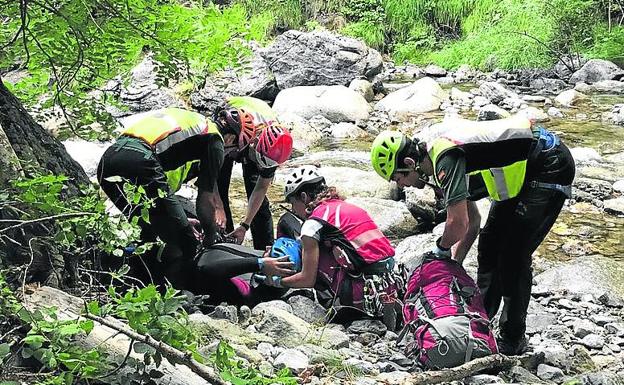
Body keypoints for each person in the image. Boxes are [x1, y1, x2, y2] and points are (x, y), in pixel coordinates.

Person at [370, 115, 575, 355]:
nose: (401, 186)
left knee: (513, 256)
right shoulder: (431, 165)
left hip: (549, 164)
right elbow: (473, 222)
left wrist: (440, 251)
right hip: (520, 172)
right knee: (489, 246)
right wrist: (452, 263)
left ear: (409, 161)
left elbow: (457, 222)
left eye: (398, 177)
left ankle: (512, 338)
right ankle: (480, 325)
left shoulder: (444, 158)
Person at [97, 106, 245, 288]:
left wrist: (172, 221)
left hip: (108, 160)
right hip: (140, 161)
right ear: (230, 138)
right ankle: (180, 293)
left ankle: (134, 286)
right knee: (187, 241)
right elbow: (205, 199)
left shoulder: (196, 121)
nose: (229, 154)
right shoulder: (215, 140)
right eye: (234, 150)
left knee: (147, 228)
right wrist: (210, 236)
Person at [260, 166, 403, 328]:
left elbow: (308, 279)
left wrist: (277, 281)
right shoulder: (347, 207)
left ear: (304, 196)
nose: (293, 210)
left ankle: (336, 302)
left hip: (365, 297)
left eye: (293, 203)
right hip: (392, 285)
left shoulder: (312, 224)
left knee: (305, 253)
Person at [214, 96, 293, 249]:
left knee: (258, 200)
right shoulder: (230, 132)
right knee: (220, 192)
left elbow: (261, 188)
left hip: (256, 141)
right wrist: (218, 208)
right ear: (254, 143)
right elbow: (209, 178)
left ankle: (264, 250)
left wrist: (244, 225)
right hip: (234, 126)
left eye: (263, 164)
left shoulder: (275, 148)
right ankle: (224, 244)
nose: (259, 165)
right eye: (258, 160)